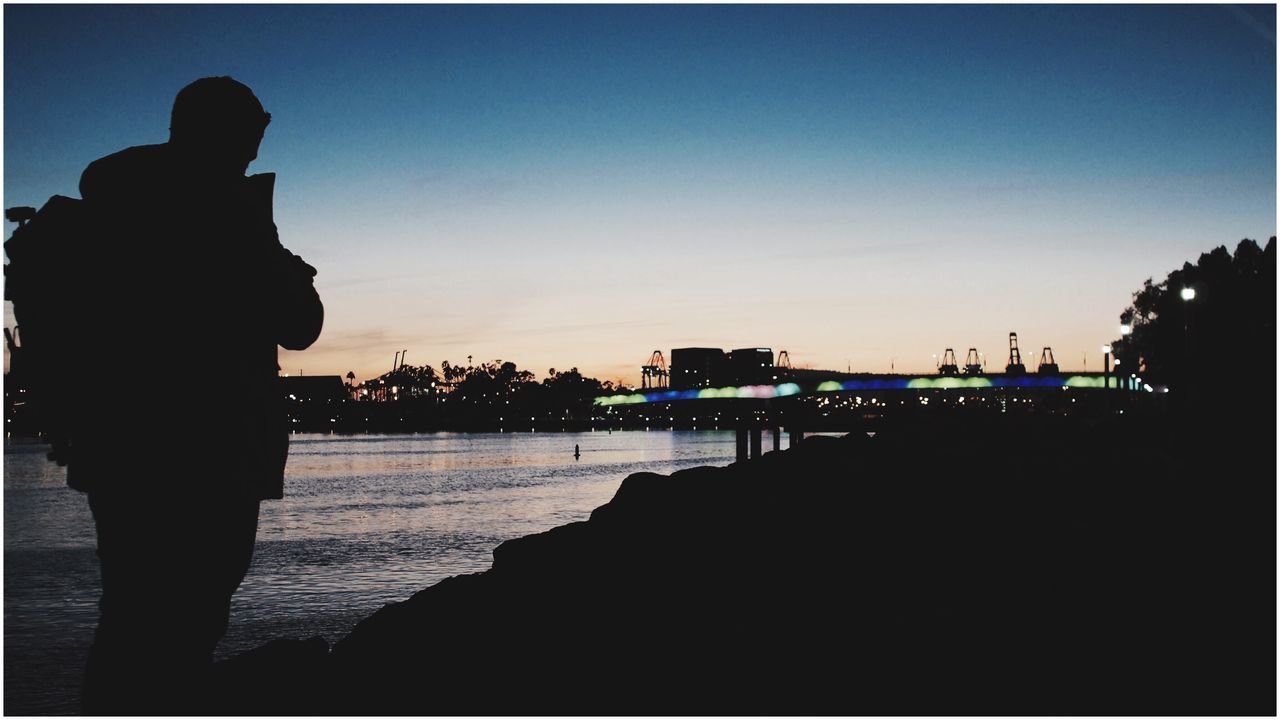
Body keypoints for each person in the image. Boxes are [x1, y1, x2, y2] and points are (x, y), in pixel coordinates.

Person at [66, 76, 324, 714]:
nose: (261, 142)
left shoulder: (113, 200)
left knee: (129, 613)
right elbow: (300, 325)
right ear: (227, 128)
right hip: (214, 446)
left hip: (118, 447)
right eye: (255, 127)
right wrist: (282, 263)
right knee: (190, 616)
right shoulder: (222, 208)